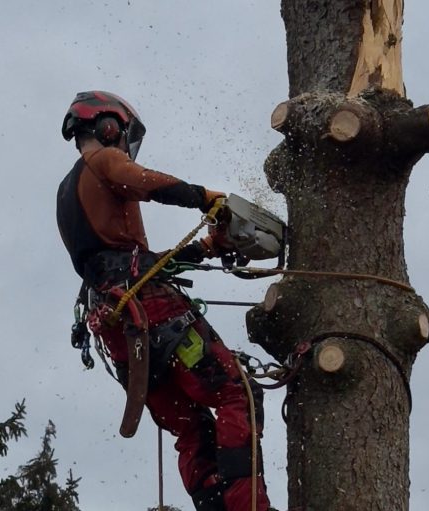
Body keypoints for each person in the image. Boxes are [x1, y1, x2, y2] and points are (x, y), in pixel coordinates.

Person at [56, 91, 272, 511]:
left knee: (192, 428)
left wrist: (208, 247)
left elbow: (139, 263)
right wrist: (209, 198)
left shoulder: (70, 191)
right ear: (108, 126)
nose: (124, 149)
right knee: (236, 393)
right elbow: (147, 183)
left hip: (120, 328)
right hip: (151, 312)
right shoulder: (102, 162)